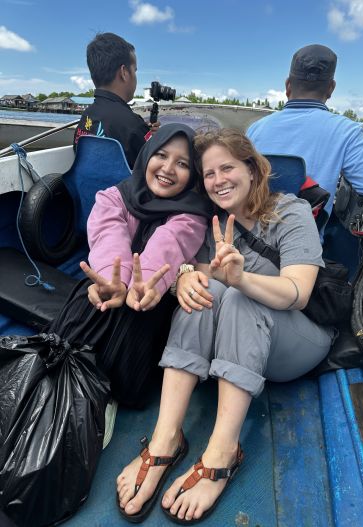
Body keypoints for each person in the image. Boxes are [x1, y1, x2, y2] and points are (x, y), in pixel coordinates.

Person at [116, 129, 336, 523]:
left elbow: (298, 292)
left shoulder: (290, 211)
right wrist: (184, 275)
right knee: (200, 291)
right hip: (237, 341)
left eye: (227, 168)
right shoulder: (211, 222)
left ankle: (223, 451)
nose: (218, 181)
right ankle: (167, 438)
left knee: (237, 295)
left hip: (296, 341)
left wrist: (242, 280)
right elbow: (200, 270)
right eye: (209, 174)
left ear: (252, 169)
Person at [50, 123, 212, 407]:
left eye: (183, 163)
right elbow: (109, 236)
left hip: (151, 298)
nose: (168, 168)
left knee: (134, 315)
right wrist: (116, 282)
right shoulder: (114, 196)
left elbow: (169, 244)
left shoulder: (192, 214)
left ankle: (103, 397)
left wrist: (140, 285)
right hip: (111, 284)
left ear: (193, 174)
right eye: (161, 155)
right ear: (147, 155)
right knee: (86, 305)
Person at [247, 44, 363, 221]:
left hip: (252, 237)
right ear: (331, 88)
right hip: (307, 243)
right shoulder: (345, 130)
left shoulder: (255, 129)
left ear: (288, 85)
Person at [73, 32, 156, 168]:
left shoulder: (86, 116)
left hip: (85, 189)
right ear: (124, 72)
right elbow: (153, 168)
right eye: (134, 71)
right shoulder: (133, 124)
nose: (135, 77)